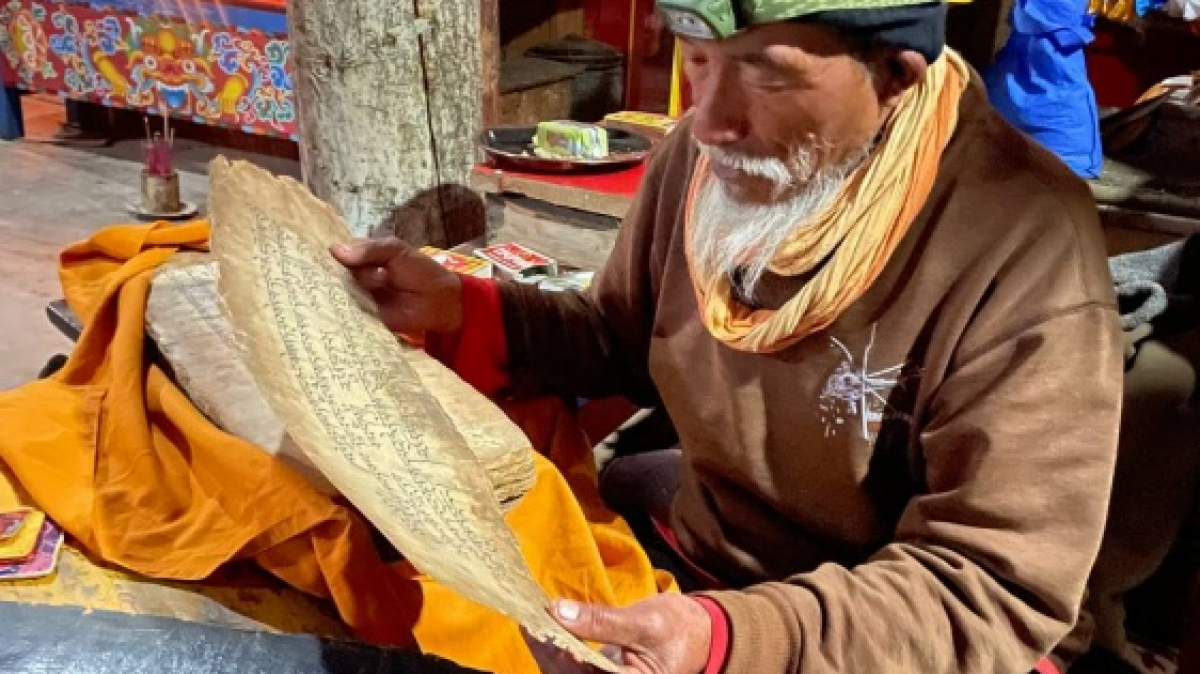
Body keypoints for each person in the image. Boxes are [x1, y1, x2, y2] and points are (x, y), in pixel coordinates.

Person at [333, 1, 1123, 672]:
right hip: (703, 568)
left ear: (895, 76)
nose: (708, 120)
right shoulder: (701, 157)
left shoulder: (1024, 240)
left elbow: (992, 585)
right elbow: (621, 337)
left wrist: (731, 639)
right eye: (700, 61)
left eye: (768, 75)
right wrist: (464, 308)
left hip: (884, 638)